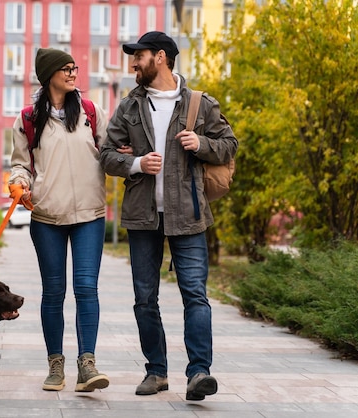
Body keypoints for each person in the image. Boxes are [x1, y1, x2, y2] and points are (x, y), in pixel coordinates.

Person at [99, 31, 238, 400]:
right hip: (142, 217)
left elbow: (230, 145)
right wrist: (136, 163)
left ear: (160, 57)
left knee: (195, 295)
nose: (133, 63)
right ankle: (157, 372)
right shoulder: (130, 106)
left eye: (138, 56)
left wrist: (202, 144)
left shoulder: (199, 104)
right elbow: (106, 155)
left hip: (189, 215)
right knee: (145, 298)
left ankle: (199, 373)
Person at [8, 48, 110, 393]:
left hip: (89, 216)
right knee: (53, 293)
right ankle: (55, 365)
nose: (72, 73)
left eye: (74, 68)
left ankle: (87, 364)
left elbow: (109, 151)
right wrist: (19, 183)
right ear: (48, 74)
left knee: (86, 288)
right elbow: (21, 163)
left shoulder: (91, 112)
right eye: (65, 68)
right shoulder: (27, 119)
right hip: (47, 216)